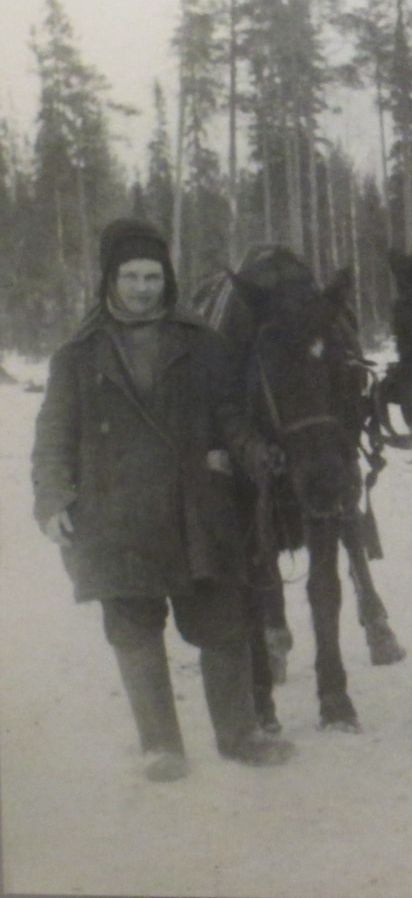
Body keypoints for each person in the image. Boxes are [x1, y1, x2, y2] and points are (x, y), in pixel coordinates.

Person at [31, 218, 294, 781]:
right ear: (111, 278)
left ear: (167, 278)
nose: (144, 287)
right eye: (131, 276)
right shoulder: (78, 353)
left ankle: (241, 735)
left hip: (195, 508)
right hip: (114, 512)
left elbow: (230, 414)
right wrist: (53, 497)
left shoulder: (200, 341)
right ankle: (160, 746)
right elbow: (53, 435)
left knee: (223, 623)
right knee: (133, 627)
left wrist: (253, 455)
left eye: (153, 276)